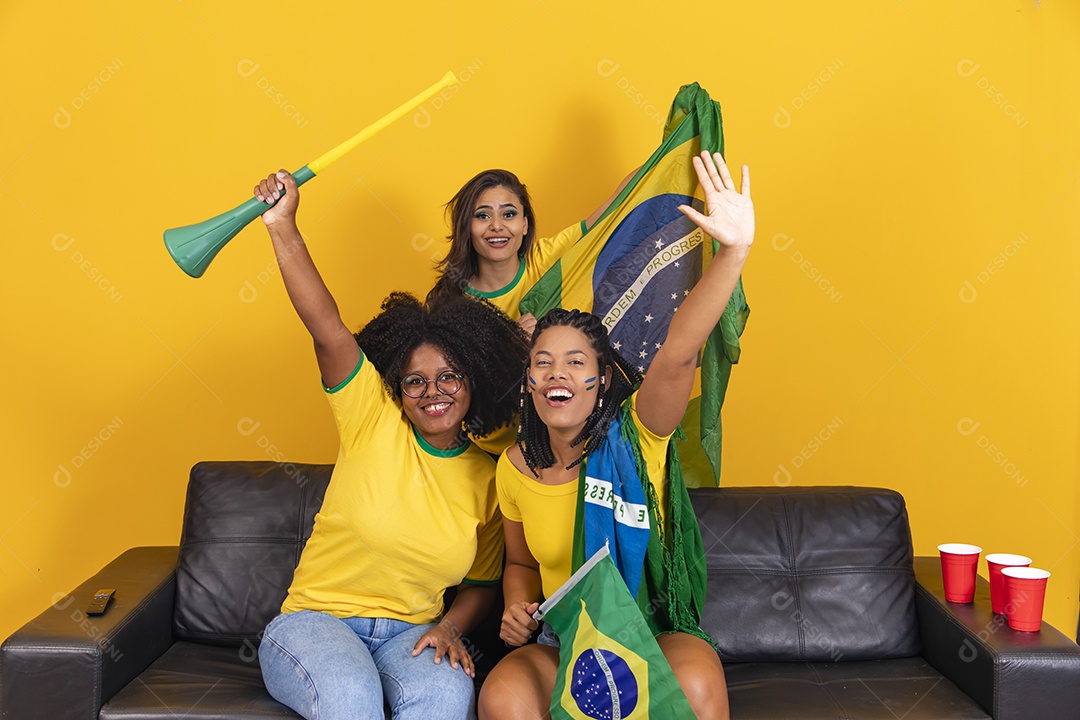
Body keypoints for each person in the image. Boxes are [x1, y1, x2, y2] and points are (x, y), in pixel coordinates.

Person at [476, 151, 753, 720]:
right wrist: (515, 608)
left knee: (697, 677)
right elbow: (523, 566)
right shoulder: (514, 468)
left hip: (645, 634)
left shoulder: (637, 437)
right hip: (565, 642)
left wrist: (733, 252)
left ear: (603, 381)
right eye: (544, 362)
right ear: (527, 381)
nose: (558, 373)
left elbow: (676, 354)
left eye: (577, 362)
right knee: (502, 693)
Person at [250, 170, 528, 720]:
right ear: (396, 391)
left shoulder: (489, 478)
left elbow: (481, 582)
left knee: (448, 695)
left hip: (411, 635)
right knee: (351, 697)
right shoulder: (370, 420)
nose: (433, 393)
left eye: (450, 377)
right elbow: (327, 327)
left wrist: (449, 627)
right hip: (317, 624)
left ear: (474, 380)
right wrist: (283, 227)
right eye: (415, 381)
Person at [426, 167, 635, 336]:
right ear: (466, 227)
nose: (497, 226)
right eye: (482, 216)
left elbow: (618, 203)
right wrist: (511, 346)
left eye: (509, 214)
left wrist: (667, 154)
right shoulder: (451, 305)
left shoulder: (546, 258)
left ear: (525, 224)